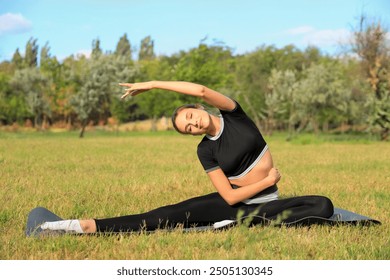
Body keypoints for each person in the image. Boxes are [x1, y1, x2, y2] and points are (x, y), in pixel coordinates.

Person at [40, 81, 334, 234]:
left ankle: (246, 223)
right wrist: (268, 180)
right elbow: (230, 198)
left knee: (323, 205)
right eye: (189, 128)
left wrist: (153, 84)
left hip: (269, 204)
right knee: (166, 215)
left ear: (198, 108)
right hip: (238, 205)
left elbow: (202, 90)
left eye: (191, 117)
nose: (194, 124)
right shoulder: (205, 150)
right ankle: (87, 226)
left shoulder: (235, 117)